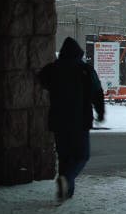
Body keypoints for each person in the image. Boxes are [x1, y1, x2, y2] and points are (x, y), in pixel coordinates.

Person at [37, 37, 105, 201]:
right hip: (79, 120)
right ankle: (66, 180)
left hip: (58, 120)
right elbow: (97, 93)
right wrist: (100, 112)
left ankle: (66, 192)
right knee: (82, 156)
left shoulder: (53, 69)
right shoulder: (85, 70)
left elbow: (41, 79)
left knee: (65, 157)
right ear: (78, 54)